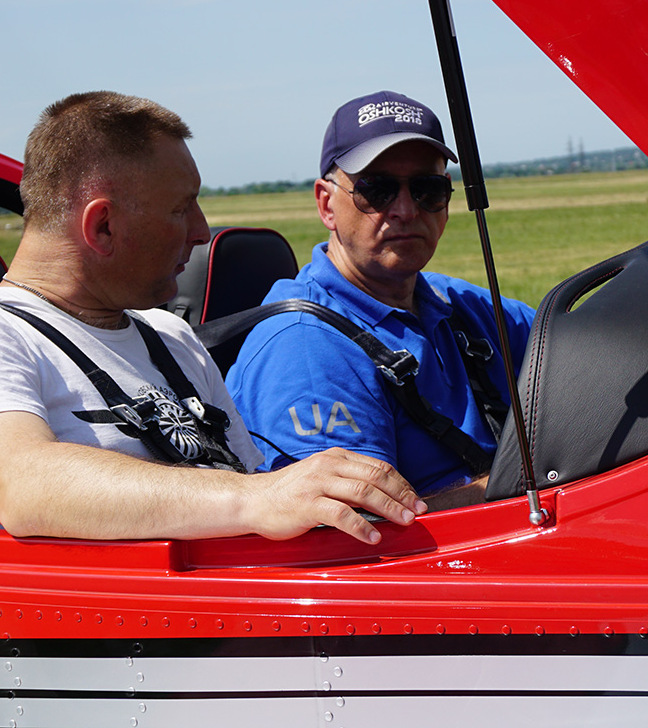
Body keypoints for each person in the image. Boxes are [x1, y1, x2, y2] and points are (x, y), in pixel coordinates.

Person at [0, 91, 426, 543]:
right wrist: (256, 498)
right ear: (102, 226)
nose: (201, 231)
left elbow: (252, 485)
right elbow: (23, 485)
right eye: (180, 208)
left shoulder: (170, 336)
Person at [226, 91, 535, 509]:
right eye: (377, 190)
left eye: (427, 190)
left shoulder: (456, 303)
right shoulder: (305, 348)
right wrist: (526, 483)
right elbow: (360, 531)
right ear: (326, 205)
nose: (406, 210)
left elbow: (572, 348)